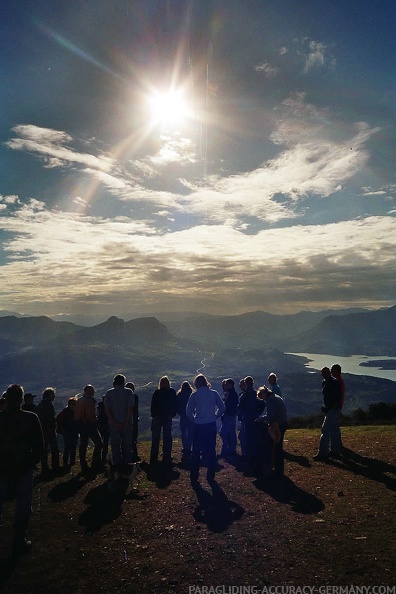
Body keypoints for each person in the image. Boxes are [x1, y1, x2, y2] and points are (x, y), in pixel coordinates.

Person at [0, 384, 44, 555]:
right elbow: (39, 446)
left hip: (2, 468)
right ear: (21, 399)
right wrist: (31, 462)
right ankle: (19, 540)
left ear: (6, 399)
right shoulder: (31, 418)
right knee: (24, 504)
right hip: (24, 467)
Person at [186, 374, 225, 485]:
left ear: (196, 383)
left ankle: (194, 476)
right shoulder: (214, 393)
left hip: (199, 425)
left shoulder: (195, 395)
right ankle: (210, 474)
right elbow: (222, 408)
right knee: (211, 450)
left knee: (196, 450)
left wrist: (194, 420)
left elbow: (188, 411)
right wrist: (215, 416)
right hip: (211, 424)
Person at [256, 386, 288, 478]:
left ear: (264, 393)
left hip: (279, 425)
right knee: (278, 446)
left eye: (261, 396)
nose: (262, 399)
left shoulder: (270, 400)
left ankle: (277, 470)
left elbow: (270, 415)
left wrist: (259, 420)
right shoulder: (275, 397)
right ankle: (278, 469)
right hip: (282, 422)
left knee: (276, 447)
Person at [104, 374, 135, 466]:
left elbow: (107, 410)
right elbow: (130, 409)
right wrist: (126, 422)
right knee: (127, 445)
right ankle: (127, 465)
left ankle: (117, 466)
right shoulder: (129, 392)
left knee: (115, 446)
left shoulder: (109, 393)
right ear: (123, 382)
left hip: (114, 424)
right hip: (126, 423)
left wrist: (114, 422)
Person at [313, 367, 342, 461]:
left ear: (329, 372)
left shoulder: (335, 382)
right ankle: (335, 451)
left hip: (332, 410)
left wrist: (331, 407)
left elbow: (338, 397)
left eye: (325, 372)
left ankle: (322, 453)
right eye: (322, 372)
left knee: (325, 430)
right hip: (330, 409)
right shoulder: (325, 382)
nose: (323, 374)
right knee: (333, 430)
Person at [74, 385, 103, 472]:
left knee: (83, 445)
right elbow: (91, 414)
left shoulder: (80, 400)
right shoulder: (89, 401)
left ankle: (83, 464)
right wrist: (95, 423)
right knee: (99, 444)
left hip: (80, 425)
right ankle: (95, 463)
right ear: (89, 391)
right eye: (93, 390)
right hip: (89, 425)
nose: (94, 392)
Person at [150, 376, 177, 465]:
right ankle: (163, 456)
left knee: (162, 437)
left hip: (162, 417)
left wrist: (154, 416)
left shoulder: (158, 392)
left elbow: (153, 405)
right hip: (162, 417)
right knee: (164, 437)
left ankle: (158, 456)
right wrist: (171, 414)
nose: (163, 384)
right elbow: (174, 405)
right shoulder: (170, 392)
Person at [238, 376, 262, 472]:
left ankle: (249, 461)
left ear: (246, 384)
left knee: (247, 440)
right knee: (254, 440)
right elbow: (262, 405)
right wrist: (258, 413)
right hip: (255, 419)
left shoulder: (244, 395)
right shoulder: (257, 393)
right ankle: (255, 460)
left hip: (247, 420)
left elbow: (240, 407)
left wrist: (242, 415)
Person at [35, 387, 60, 474]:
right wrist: (52, 427)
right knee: (54, 449)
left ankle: (44, 468)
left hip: (41, 430)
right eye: (53, 394)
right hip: (49, 430)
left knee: (44, 450)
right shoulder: (48, 405)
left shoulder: (39, 405)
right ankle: (55, 466)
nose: (54, 396)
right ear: (49, 395)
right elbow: (50, 419)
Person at [56, 396, 78, 467]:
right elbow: (58, 420)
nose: (75, 406)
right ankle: (65, 461)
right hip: (67, 431)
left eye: (75, 404)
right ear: (69, 404)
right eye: (73, 404)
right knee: (68, 446)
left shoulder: (75, 412)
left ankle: (72, 461)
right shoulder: (65, 412)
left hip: (74, 430)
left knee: (73, 446)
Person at [219, 378, 239, 458]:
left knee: (223, 432)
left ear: (230, 385)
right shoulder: (232, 393)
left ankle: (225, 450)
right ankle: (232, 449)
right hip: (231, 415)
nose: (225, 385)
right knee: (231, 432)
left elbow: (228, 404)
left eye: (226, 384)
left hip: (229, 415)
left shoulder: (230, 394)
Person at [176, 381, 194, 464]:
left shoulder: (179, 395)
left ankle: (185, 446)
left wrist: (179, 412)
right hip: (190, 416)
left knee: (183, 432)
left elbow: (177, 405)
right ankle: (189, 446)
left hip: (183, 415)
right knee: (190, 432)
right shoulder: (192, 394)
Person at [125, 382, 141, 462]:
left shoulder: (123, 397)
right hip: (133, 420)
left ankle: (128, 455)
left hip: (125, 420)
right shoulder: (134, 397)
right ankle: (134, 454)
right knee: (133, 437)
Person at [97, 396, 110, 464]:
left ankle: (99, 457)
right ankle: (104, 457)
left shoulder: (99, 406)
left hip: (100, 425)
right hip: (107, 426)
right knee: (105, 442)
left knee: (100, 442)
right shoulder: (109, 406)